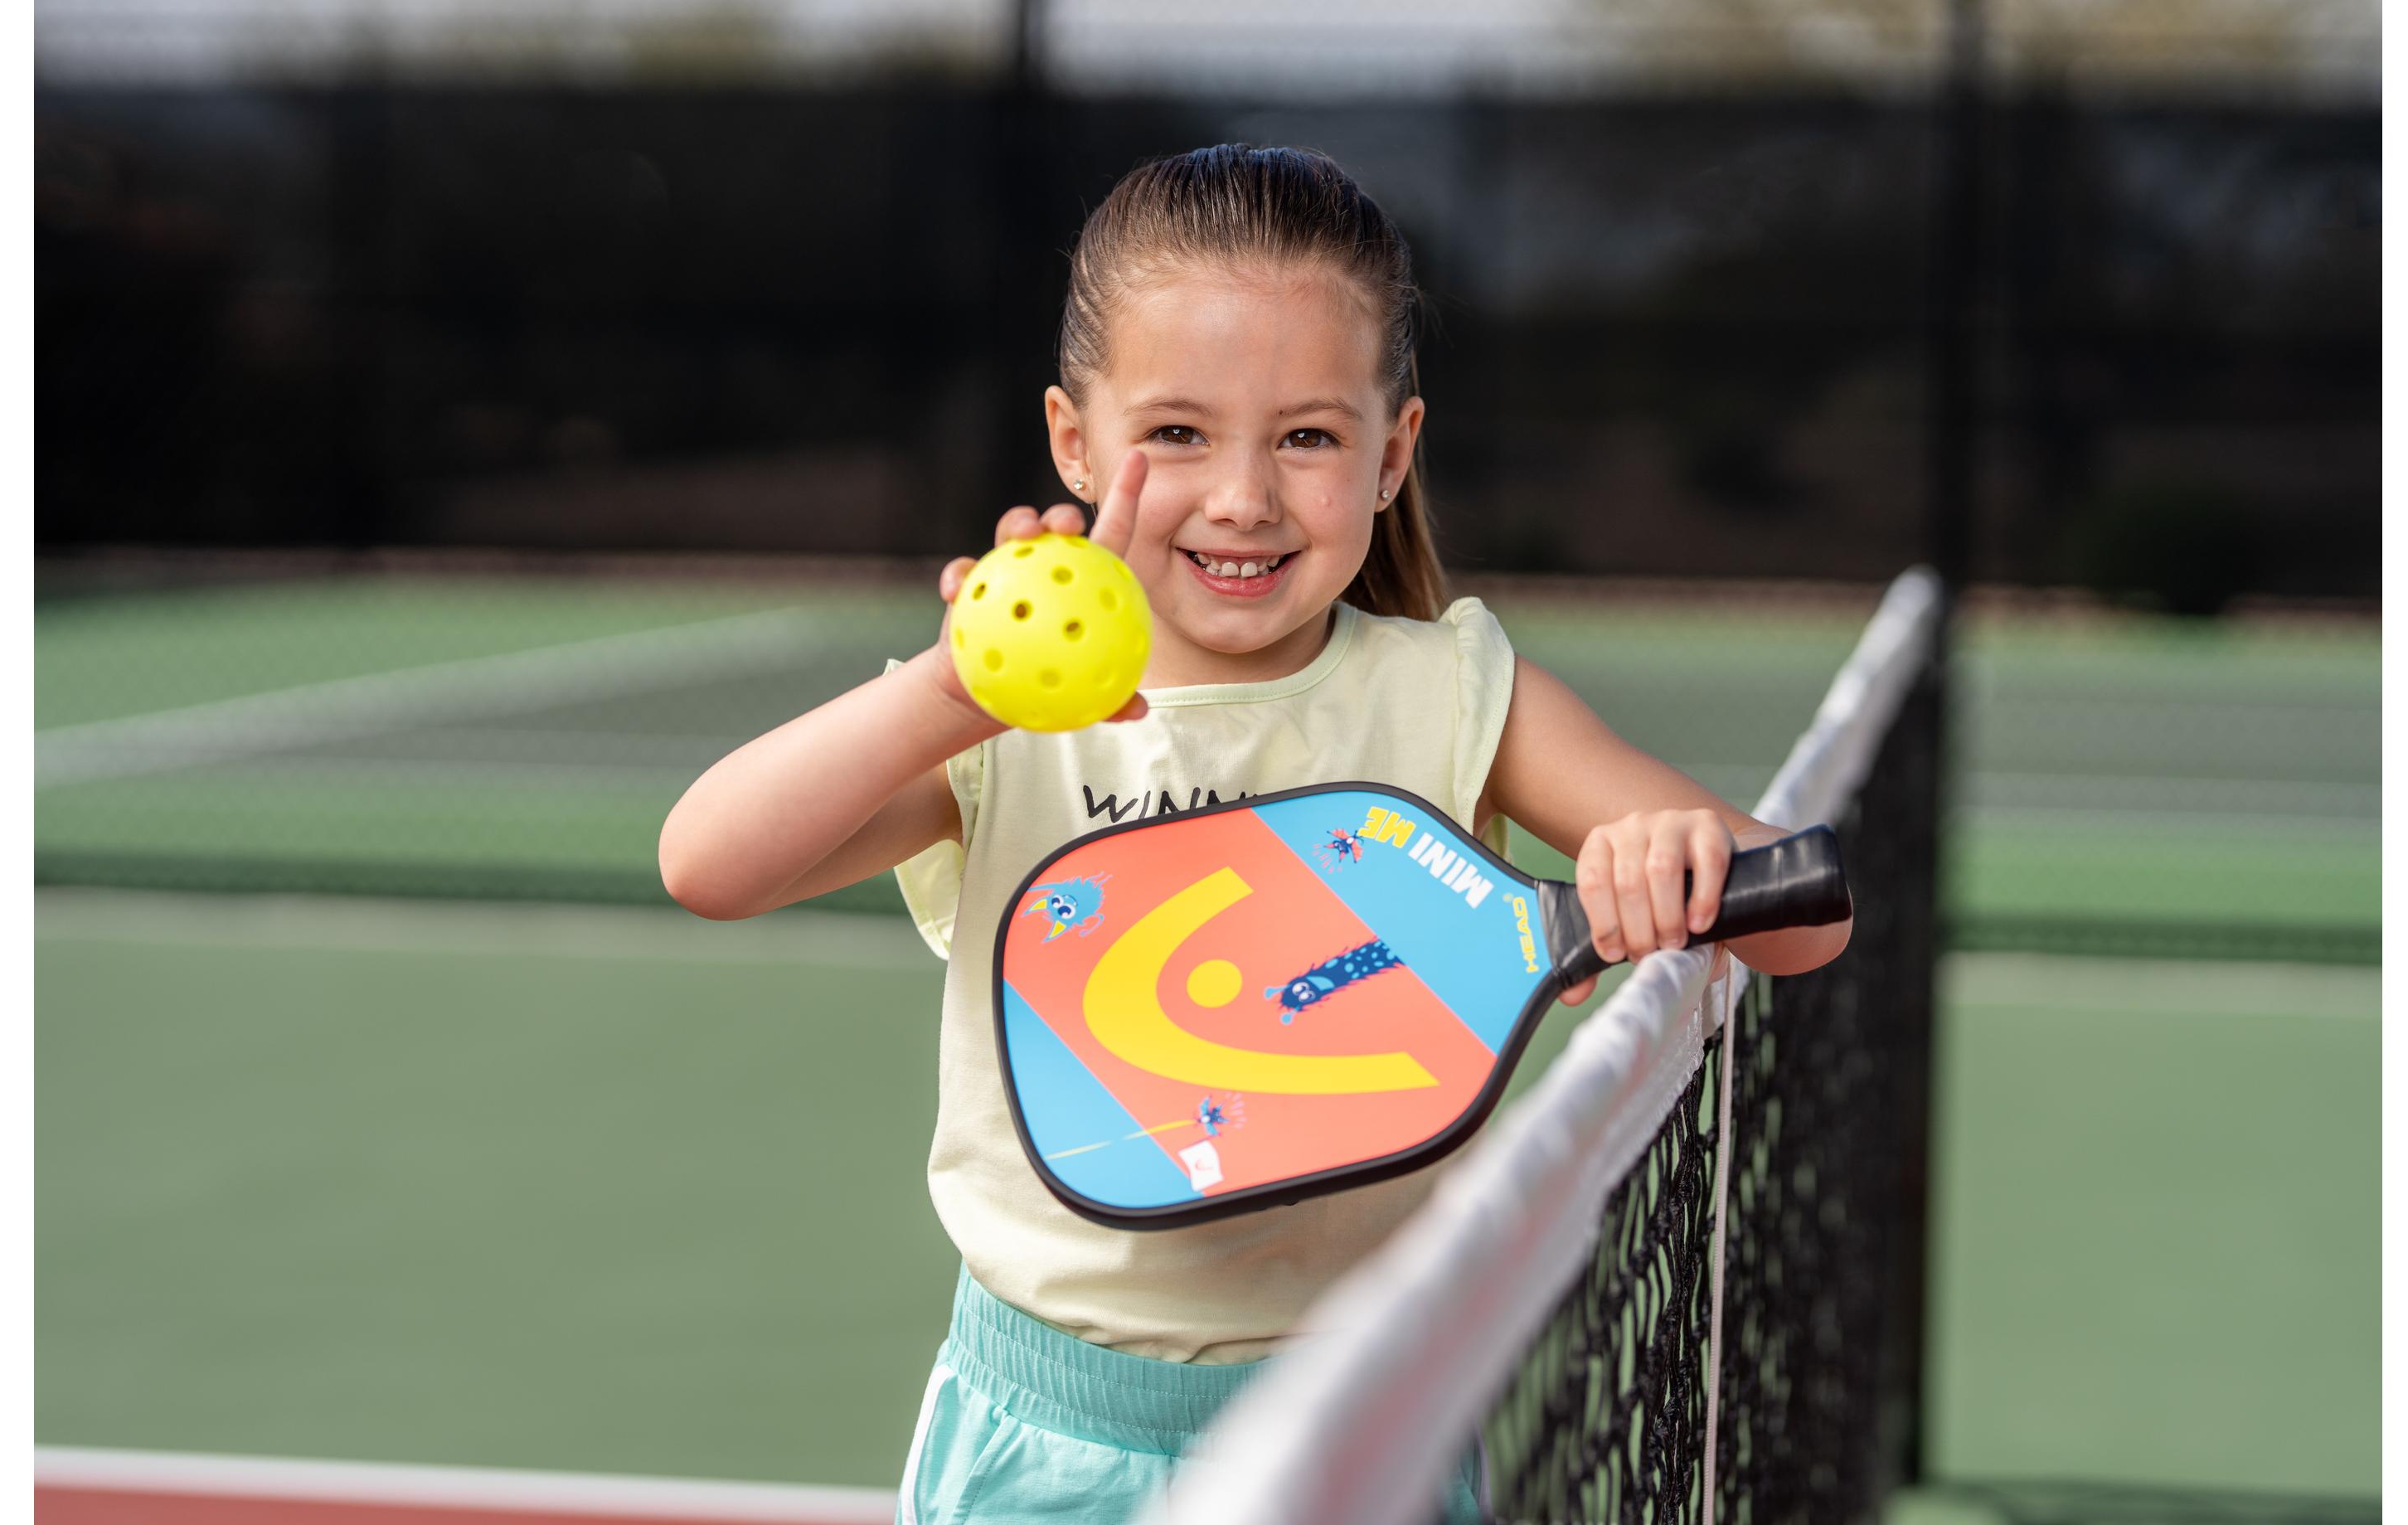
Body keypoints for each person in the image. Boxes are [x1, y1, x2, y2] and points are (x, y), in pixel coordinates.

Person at [658, 143, 1850, 1524]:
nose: (1242, 498)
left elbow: (1806, 918)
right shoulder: (1001, 717)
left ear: (1393, 452)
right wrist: (950, 694)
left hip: (1370, 1432)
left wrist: (1671, 860)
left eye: (1307, 438)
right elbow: (709, 865)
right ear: (1072, 443)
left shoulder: (1456, 694)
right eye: (1176, 433)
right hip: (1043, 1447)